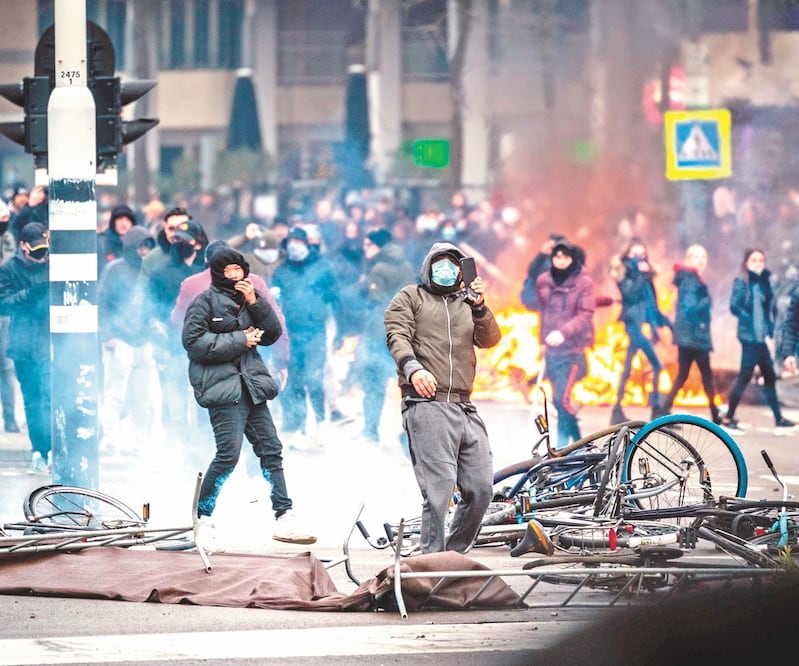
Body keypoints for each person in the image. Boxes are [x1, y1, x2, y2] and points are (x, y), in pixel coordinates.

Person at [182, 247, 315, 550]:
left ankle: (284, 514)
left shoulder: (250, 298)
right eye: (227, 271)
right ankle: (202, 519)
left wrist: (256, 302)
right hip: (223, 388)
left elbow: (272, 333)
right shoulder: (204, 302)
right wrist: (240, 339)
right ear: (218, 273)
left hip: (252, 385)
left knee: (271, 449)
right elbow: (193, 343)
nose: (234, 276)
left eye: (238, 270)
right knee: (228, 455)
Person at [384, 241, 501, 554]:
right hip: (427, 404)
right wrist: (413, 369)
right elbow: (397, 336)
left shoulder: (467, 303)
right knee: (439, 492)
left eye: (453, 265)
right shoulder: (410, 297)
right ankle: (431, 562)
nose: (446, 270)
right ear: (428, 267)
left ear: (462, 273)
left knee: (481, 488)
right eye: (439, 264)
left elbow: (490, 339)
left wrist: (480, 306)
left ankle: (453, 554)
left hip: (464, 405)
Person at [97, 226, 160, 451]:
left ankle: (138, 439)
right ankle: (110, 437)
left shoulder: (150, 271)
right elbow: (102, 303)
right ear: (131, 247)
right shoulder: (115, 269)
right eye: (141, 246)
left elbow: (156, 302)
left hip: (143, 340)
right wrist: (107, 335)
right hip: (119, 338)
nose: (144, 251)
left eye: (148, 247)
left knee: (142, 395)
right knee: (115, 393)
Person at [723, 249, 795, 432]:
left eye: (761, 260)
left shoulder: (764, 281)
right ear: (746, 262)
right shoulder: (742, 281)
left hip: (761, 338)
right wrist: (748, 318)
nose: (758, 263)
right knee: (745, 377)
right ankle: (729, 416)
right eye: (754, 260)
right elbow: (734, 306)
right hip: (749, 338)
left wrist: (769, 328)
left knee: (769, 377)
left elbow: (770, 308)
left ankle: (778, 418)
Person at [535, 239, 596, 448]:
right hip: (552, 353)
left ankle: (566, 448)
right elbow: (543, 313)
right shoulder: (544, 280)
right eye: (557, 256)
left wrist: (564, 333)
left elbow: (586, 313)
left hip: (573, 353)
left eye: (565, 256)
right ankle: (578, 447)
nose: (561, 260)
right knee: (559, 401)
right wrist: (542, 340)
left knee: (561, 399)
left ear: (572, 258)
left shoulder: (584, 282)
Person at [0, 223, 51, 473]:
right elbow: (4, 303)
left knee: (50, 397)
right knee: (33, 401)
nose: (40, 256)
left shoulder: (54, 265)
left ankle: (52, 449)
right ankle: (39, 452)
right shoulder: (9, 269)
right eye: (36, 251)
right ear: (23, 246)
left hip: (50, 342)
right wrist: (32, 293)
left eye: (43, 250)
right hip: (24, 345)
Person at [358, 228, 415, 443]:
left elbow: (376, 301)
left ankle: (370, 431)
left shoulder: (378, 268)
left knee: (374, 385)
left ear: (379, 246)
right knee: (407, 388)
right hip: (405, 334)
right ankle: (409, 435)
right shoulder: (406, 265)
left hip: (380, 334)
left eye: (368, 244)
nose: (365, 248)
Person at [655, 244, 721, 424]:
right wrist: (706, 302)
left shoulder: (691, 278)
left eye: (703, 257)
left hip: (689, 336)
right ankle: (715, 415)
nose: (701, 260)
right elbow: (690, 308)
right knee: (705, 376)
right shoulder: (691, 280)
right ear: (688, 260)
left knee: (684, 375)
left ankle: (664, 410)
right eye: (696, 257)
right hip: (694, 337)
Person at [608, 237, 672, 424]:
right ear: (628, 254)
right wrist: (642, 275)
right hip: (633, 325)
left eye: (642, 254)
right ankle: (656, 411)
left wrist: (664, 322)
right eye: (635, 254)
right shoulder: (623, 273)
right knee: (657, 365)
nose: (639, 258)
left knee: (628, 367)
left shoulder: (646, 276)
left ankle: (617, 410)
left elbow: (652, 302)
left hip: (643, 323)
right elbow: (631, 295)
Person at [0, 200, 19, 433]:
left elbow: (9, 268)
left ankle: (10, 417)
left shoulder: (8, 240)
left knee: (5, 367)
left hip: (4, 311)